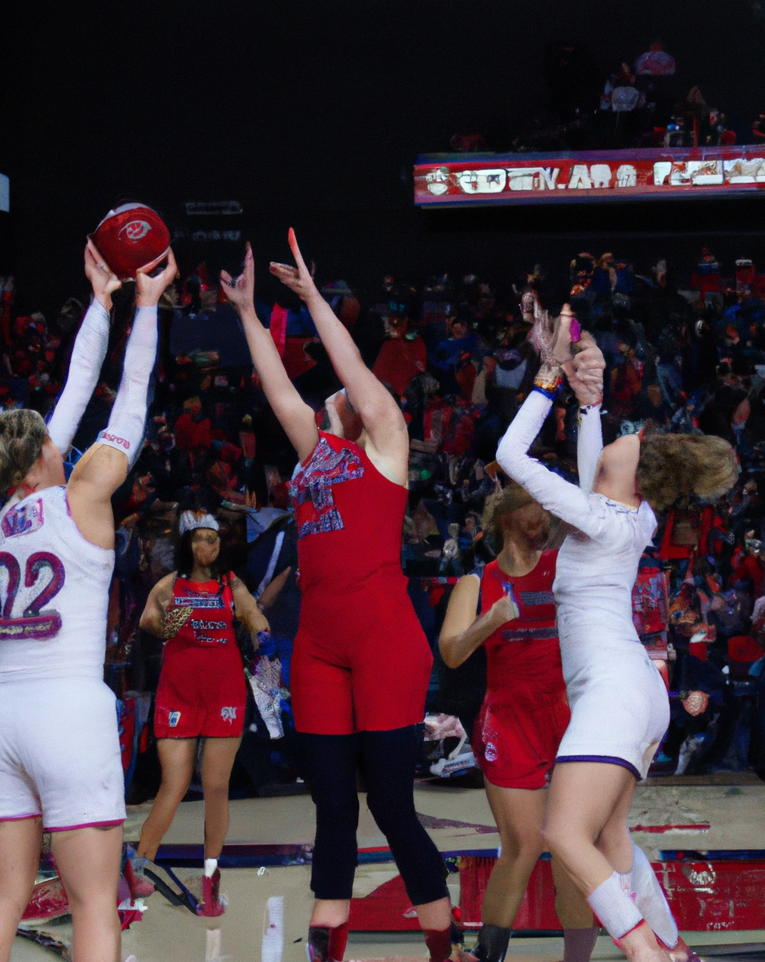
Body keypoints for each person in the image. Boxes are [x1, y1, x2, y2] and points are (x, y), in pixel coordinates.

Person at [0, 242, 177, 962]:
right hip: (68, 710)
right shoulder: (82, 495)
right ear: (43, 452)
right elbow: (127, 405)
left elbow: (69, 401)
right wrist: (144, 308)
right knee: (94, 905)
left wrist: (100, 308)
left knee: (2, 898)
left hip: (0, 711)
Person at [220, 234, 454, 962]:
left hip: (384, 637)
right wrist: (249, 313)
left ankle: (444, 944)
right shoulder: (313, 451)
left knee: (390, 804)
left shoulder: (385, 441)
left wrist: (314, 299)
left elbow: (351, 366)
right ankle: (328, 948)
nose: (339, 392)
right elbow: (277, 386)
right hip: (318, 644)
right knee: (331, 808)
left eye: (348, 392)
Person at [495, 310, 738, 962]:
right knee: (610, 840)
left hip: (612, 690)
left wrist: (548, 380)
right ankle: (674, 947)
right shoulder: (630, 515)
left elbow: (508, 455)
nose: (620, 441)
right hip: (641, 691)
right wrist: (590, 402)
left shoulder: (601, 515)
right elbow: (590, 468)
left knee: (564, 834)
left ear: (624, 476)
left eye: (624, 444)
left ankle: (641, 950)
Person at [440, 485, 595, 962]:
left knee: (572, 851)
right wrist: (491, 619)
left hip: (569, 715)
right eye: (535, 508)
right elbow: (451, 653)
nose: (544, 517)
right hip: (508, 720)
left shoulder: (564, 567)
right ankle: (488, 957)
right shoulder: (476, 582)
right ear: (507, 516)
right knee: (523, 846)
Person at [130, 508, 270, 915]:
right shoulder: (171, 584)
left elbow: (255, 617)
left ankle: (211, 873)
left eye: (212, 539)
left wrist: (264, 638)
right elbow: (148, 621)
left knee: (216, 788)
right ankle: (138, 869)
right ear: (187, 544)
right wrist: (167, 626)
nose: (206, 546)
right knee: (172, 787)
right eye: (199, 539)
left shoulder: (231, 583)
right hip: (179, 695)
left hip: (224, 694)